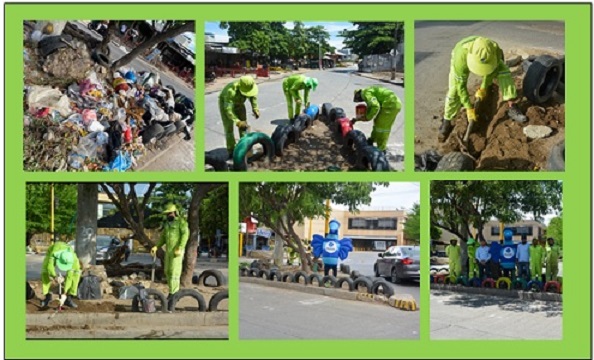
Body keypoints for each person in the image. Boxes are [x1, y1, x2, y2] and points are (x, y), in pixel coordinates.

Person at [438, 36, 526, 142]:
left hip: (491, 58)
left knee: (504, 72)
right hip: (462, 56)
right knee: (454, 91)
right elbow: (460, 86)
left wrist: (483, 87)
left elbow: (491, 72)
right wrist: (468, 107)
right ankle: (447, 120)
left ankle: (512, 106)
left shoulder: (495, 50)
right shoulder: (460, 57)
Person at [151, 204, 189, 309]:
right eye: (167, 213)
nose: (169, 215)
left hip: (177, 252)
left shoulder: (181, 223)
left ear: (175, 212)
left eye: (170, 213)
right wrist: (156, 246)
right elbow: (163, 237)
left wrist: (180, 247)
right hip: (168, 252)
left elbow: (185, 235)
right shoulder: (167, 224)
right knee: (167, 271)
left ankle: (174, 296)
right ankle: (171, 293)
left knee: (174, 273)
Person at [218, 76, 260, 157]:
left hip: (239, 104)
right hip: (225, 104)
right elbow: (228, 110)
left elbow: (252, 97)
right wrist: (237, 121)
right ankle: (231, 150)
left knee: (244, 126)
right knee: (229, 128)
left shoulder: (250, 86)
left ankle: (244, 147)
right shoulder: (231, 91)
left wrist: (255, 108)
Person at [353, 86, 402, 152]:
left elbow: (375, 106)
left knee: (382, 128)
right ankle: (372, 140)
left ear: (358, 95)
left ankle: (381, 149)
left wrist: (368, 117)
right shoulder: (368, 91)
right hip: (390, 103)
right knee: (377, 122)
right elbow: (371, 108)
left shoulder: (366, 94)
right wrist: (357, 119)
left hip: (390, 104)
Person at [40, 239, 81, 308]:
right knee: (45, 271)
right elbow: (50, 267)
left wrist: (64, 293)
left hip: (68, 252)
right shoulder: (54, 253)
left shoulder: (73, 259)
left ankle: (69, 298)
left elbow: (70, 277)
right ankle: (47, 296)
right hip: (55, 250)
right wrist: (55, 277)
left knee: (76, 273)